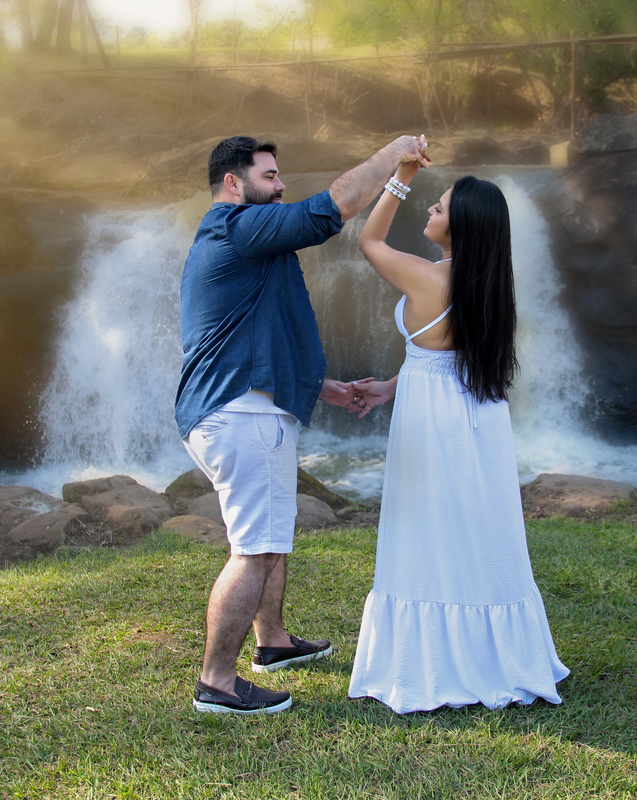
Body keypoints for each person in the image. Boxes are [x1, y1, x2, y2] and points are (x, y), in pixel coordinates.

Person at [177, 134, 430, 715]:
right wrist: (392, 155)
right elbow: (329, 211)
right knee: (254, 549)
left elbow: (256, 336)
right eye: (269, 176)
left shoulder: (245, 246)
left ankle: (273, 642)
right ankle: (216, 682)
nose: (281, 184)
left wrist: (328, 389)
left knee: (271, 537)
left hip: (242, 408)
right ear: (234, 185)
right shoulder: (237, 228)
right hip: (242, 415)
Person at [346, 151, 570, 713]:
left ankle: (434, 664)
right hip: (479, 420)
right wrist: (393, 385)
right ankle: (494, 657)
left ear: (459, 223)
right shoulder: (491, 284)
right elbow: (447, 358)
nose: (429, 207)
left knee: (426, 532)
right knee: (479, 530)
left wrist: (402, 175)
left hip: (432, 426)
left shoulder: (426, 277)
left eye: (438, 205)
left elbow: (369, 241)